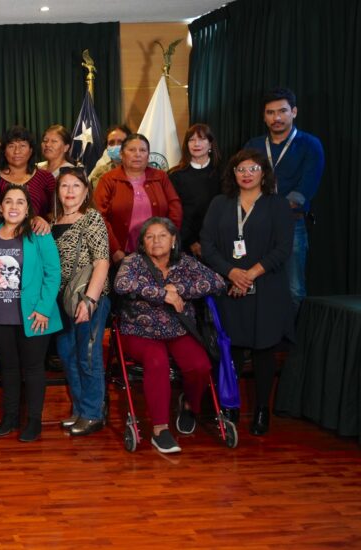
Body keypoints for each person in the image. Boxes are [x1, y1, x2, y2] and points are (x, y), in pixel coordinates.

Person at [200, 149, 295, 436]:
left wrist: (251, 274)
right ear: (233, 173)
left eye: (253, 168)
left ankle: (262, 409)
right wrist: (232, 273)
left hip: (266, 287)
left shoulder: (277, 205)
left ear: (263, 173)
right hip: (229, 285)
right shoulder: (220, 203)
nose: (246, 173)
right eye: (241, 168)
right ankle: (231, 406)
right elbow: (207, 243)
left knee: (264, 348)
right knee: (233, 348)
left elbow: (283, 247)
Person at [114, 217, 226, 453]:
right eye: (150, 236)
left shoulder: (185, 262)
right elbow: (121, 284)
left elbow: (217, 282)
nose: (156, 241)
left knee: (199, 365)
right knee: (157, 361)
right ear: (143, 243)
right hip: (139, 331)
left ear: (173, 240)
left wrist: (181, 290)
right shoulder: (133, 262)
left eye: (162, 235)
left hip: (178, 329)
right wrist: (162, 294)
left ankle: (188, 405)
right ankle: (160, 430)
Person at [0, 185, 62, 442]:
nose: (14, 207)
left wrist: (43, 309)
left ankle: (34, 421)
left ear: (28, 209)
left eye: (20, 202)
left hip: (34, 316)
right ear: (1, 207)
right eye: (9, 202)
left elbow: (53, 272)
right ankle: (10, 417)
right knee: (10, 369)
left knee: (34, 368)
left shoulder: (39, 234)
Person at [244, 87, 325, 309]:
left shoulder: (310, 144)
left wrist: (270, 208)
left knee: (294, 288)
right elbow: (242, 180)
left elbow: (304, 189)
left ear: (294, 112)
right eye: (270, 113)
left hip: (292, 224)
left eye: (282, 111)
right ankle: (260, 336)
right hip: (256, 223)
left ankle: (288, 340)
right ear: (264, 116)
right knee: (253, 282)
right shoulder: (254, 145)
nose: (276, 118)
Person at [50, 168, 111, 436]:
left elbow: (102, 261)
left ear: (86, 191)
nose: (70, 191)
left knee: (88, 356)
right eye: (64, 186)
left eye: (76, 185)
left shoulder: (91, 219)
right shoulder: (52, 222)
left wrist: (89, 301)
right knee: (67, 354)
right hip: (62, 301)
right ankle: (80, 408)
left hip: (88, 298)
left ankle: (93, 413)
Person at [94, 133, 182, 265]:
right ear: (122, 154)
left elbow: (175, 208)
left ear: (148, 155)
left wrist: (170, 239)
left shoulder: (161, 177)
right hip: (121, 254)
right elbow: (99, 217)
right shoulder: (108, 179)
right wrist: (114, 249)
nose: (137, 154)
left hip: (159, 252)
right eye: (132, 150)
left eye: (142, 150)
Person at [168, 123, 221, 257]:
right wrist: (191, 241)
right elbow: (175, 211)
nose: (196, 144)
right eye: (191, 140)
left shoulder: (223, 172)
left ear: (210, 144)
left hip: (218, 240)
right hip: (185, 241)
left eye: (202, 139)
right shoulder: (175, 175)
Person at [0, 126, 57, 221]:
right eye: (11, 146)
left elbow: (56, 211)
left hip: (38, 234)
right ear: (4, 152)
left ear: (31, 151)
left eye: (22, 146)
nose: (17, 151)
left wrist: (41, 221)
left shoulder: (46, 178)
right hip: (1, 233)